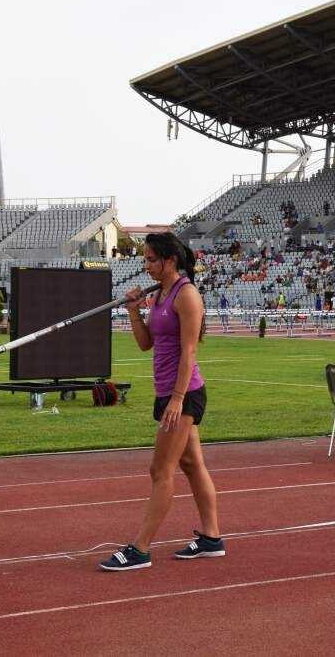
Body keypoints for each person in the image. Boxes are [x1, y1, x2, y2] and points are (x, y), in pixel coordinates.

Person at [100, 232, 223, 571]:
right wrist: (134, 311)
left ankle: (140, 549)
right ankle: (211, 538)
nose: (147, 266)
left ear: (171, 260)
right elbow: (145, 344)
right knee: (192, 465)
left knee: (160, 470)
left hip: (183, 394)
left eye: (152, 260)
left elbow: (190, 351)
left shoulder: (187, 296)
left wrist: (178, 400)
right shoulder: (160, 296)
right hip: (166, 392)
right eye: (145, 260)